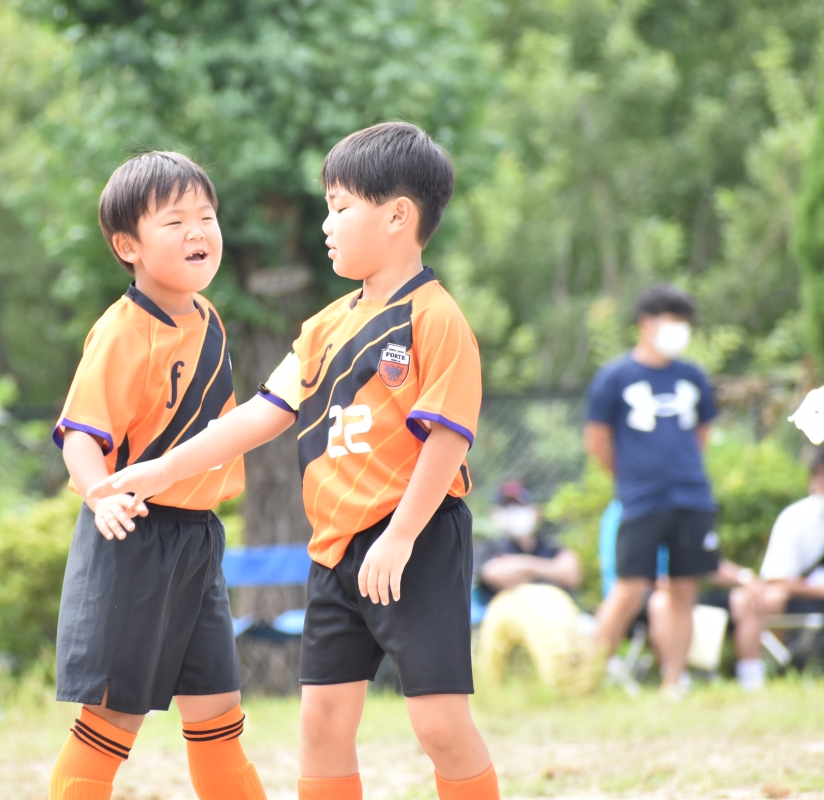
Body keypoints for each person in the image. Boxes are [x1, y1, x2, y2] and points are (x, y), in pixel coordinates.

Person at [93, 122, 499, 800]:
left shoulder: (435, 318)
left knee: (439, 724)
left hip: (416, 540)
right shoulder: (324, 327)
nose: (326, 225)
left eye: (340, 208)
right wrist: (159, 471)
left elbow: (449, 438)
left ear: (397, 216)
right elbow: (260, 414)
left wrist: (400, 535)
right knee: (321, 724)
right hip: (334, 551)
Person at [47, 152, 265, 800]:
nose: (198, 231)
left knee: (219, 721)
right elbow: (81, 435)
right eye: (175, 221)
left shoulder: (211, 319)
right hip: (133, 538)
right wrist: (102, 498)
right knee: (110, 725)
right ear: (128, 246)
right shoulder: (121, 331)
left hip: (198, 540)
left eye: (206, 216)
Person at [584, 284, 718, 696]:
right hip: (641, 500)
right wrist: (630, 476)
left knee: (683, 590)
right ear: (646, 323)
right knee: (629, 587)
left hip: (692, 498)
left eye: (683, 323)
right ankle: (588, 679)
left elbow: (702, 433)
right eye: (671, 321)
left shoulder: (692, 376)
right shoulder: (615, 377)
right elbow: (597, 440)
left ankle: (674, 682)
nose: (679, 330)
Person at [727, 447, 824, 691]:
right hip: (806, 599)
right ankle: (753, 678)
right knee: (750, 599)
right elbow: (776, 580)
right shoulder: (798, 518)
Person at [475, 480, 581, 603]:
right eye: (506, 506)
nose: (513, 511)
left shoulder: (551, 546)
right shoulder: (487, 548)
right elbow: (496, 576)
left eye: (518, 505)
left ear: (536, 511)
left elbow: (572, 575)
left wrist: (522, 566)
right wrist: (551, 569)